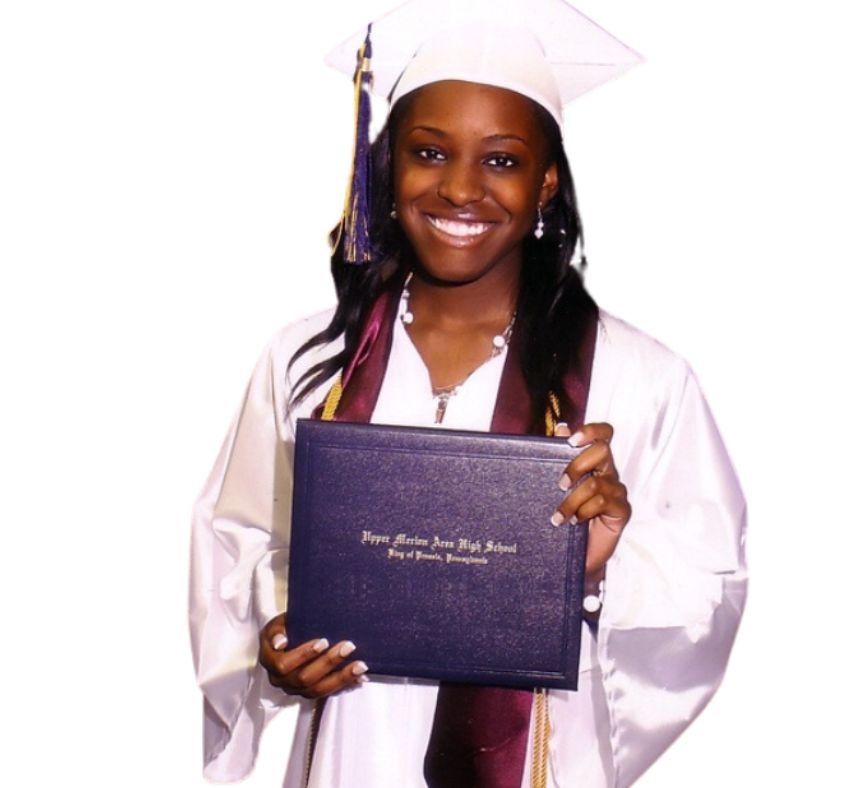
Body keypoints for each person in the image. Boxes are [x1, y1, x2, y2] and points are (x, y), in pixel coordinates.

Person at [189, 1, 747, 786]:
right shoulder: (307, 363)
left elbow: (708, 587)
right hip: (351, 752)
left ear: (547, 181)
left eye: (502, 160)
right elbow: (238, 539)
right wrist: (272, 644)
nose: (459, 189)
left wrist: (600, 570)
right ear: (388, 170)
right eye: (428, 151)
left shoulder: (640, 378)